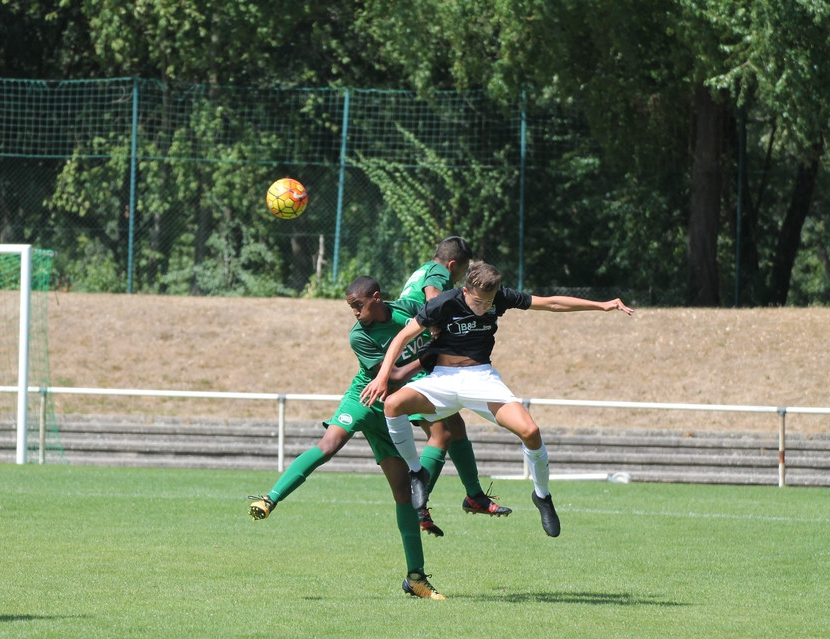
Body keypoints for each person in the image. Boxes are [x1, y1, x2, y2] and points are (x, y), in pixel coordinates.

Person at [360, 262, 634, 538]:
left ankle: (542, 496)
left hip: (481, 379)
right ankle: (417, 472)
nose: (483, 307)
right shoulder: (444, 302)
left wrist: (602, 305)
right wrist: (383, 377)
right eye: (478, 301)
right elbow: (402, 337)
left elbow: (550, 303)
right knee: (393, 404)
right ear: (465, 290)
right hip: (442, 379)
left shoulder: (501, 297)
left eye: (489, 302)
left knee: (531, 431)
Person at [248, 276, 445, 599]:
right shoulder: (359, 335)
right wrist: (430, 356)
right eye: (350, 307)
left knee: (403, 496)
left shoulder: (406, 309)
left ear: (376, 298)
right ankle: (270, 498)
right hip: (364, 399)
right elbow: (392, 377)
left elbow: (435, 313)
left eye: (358, 305)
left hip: (391, 413)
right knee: (329, 445)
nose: (354, 312)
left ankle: (416, 578)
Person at [398, 236, 512, 536]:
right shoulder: (438, 273)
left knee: (456, 428)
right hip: (419, 362)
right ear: (452, 265)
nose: (461, 279)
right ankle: (418, 507)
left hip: (415, 356)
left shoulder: (423, 269)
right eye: (461, 272)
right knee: (441, 434)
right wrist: (439, 324)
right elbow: (433, 297)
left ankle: (474, 495)